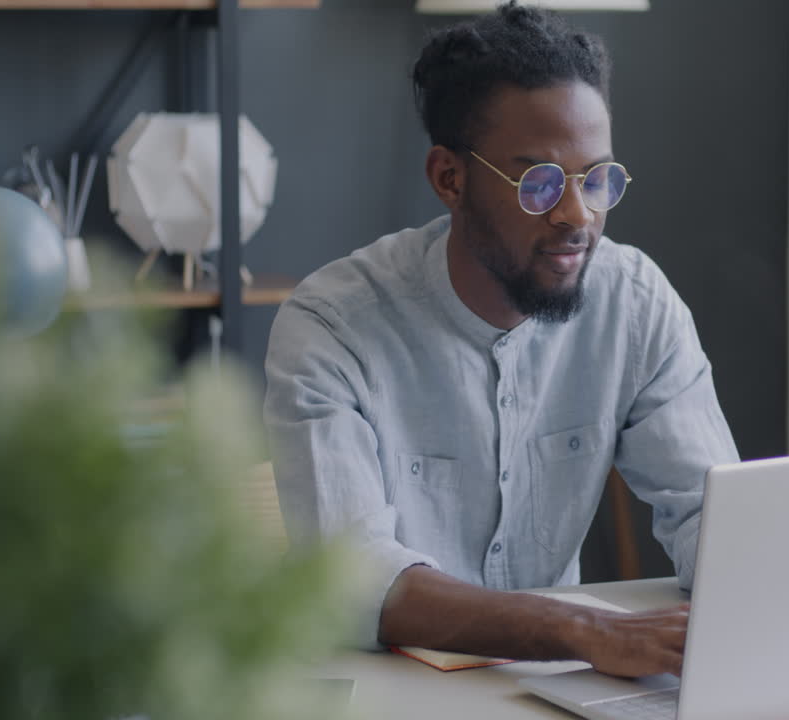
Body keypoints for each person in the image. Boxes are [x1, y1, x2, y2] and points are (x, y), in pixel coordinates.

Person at [263, 1, 737, 678]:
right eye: (540, 183)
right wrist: (581, 628)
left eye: (597, 179)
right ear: (449, 179)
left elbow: (709, 515)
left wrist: (755, 588)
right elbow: (354, 579)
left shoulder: (633, 304)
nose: (578, 215)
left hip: (556, 685)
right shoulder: (332, 328)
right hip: (387, 693)